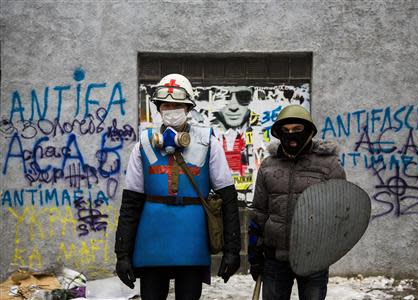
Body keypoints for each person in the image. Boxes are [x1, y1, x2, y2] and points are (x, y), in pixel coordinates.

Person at [115, 74, 241, 300]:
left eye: (177, 105)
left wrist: (232, 250)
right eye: (166, 105)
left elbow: (228, 198)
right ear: (158, 108)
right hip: (151, 240)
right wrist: (122, 253)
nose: (171, 109)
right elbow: (131, 203)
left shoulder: (207, 142)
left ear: (188, 107)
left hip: (192, 240)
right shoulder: (143, 145)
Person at [248, 104, 346, 300]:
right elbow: (259, 212)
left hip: (313, 259)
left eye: (297, 130)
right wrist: (255, 253)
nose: (291, 135)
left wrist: (327, 247)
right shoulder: (268, 166)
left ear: (309, 131)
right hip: (275, 259)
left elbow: (341, 211)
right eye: (285, 131)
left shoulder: (329, 165)